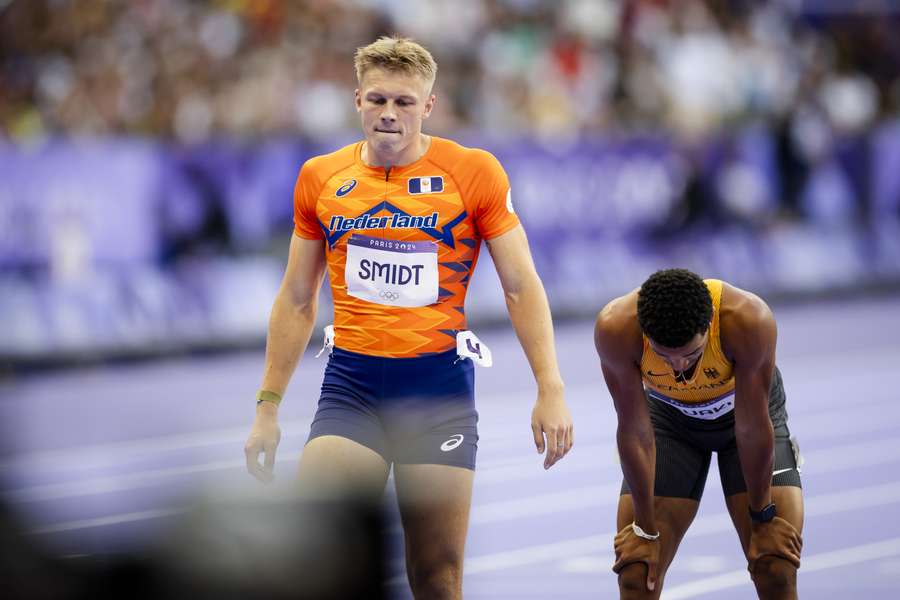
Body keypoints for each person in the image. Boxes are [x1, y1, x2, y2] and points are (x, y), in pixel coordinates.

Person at [243, 36, 573, 599]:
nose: (389, 115)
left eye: (403, 102)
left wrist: (551, 386)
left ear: (428, 106)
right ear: (356, 101)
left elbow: (521, 286)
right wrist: (267, 407)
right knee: (314, 559)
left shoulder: (473, 173)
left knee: (437, 576)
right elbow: (297, 299)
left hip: (437, 393)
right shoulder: (321, 178)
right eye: (377, 101)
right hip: (353, 387)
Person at [594, 268, 803, 599]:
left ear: (709, 325)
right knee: (636, 571)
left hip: (746, 418)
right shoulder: (616, 328)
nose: (678, 368)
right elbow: (634, 430)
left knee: (774, 565)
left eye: (690, 355)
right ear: (646, 334)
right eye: (664, 356)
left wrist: (762, 517)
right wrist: (645, 530)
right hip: (670, 422)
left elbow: (750, 428)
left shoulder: (748, 320)